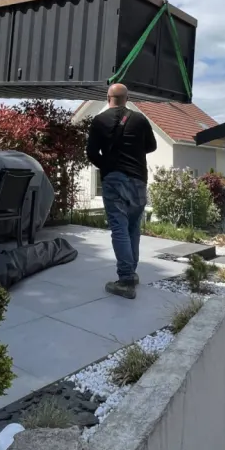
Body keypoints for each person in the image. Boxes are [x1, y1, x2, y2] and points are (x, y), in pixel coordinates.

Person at [85, 83, 157, 299]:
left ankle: (125, 279)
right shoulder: (140, 119)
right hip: (138, 180)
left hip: (114, 180)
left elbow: (91, 153)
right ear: (127, 99)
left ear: (108, 98)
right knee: (133, 227)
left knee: (119, 228)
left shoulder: (99, 121)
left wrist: (107, 166)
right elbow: (151, 146)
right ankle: (131, 274)